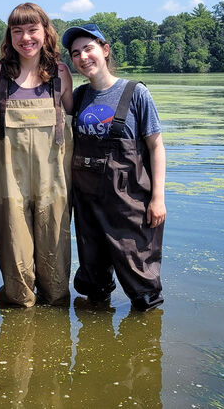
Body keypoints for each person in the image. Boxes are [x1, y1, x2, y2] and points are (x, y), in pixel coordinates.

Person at [63, 23, 166, 311]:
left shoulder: (135, 93)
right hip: (87, 202)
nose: (83, 57)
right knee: (93, 278)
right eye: (75, 53)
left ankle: (146, 339)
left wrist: (158, 198)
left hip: (128, 202)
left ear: (105, 51)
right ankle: (96, 339)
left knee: (140, 276)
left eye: (88, 49)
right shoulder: (80, 97)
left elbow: (156, 147)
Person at [0, 2, 73, 308]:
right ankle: (18, 330)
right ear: (10, 35)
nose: (25, 37)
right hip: (9, 185)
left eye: (32, 29)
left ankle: (54, 337)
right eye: (17, 30)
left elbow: (75, 121)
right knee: (16, 265)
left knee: (55, 266)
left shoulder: (61, 74)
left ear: (45, 32)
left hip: (55, 184)